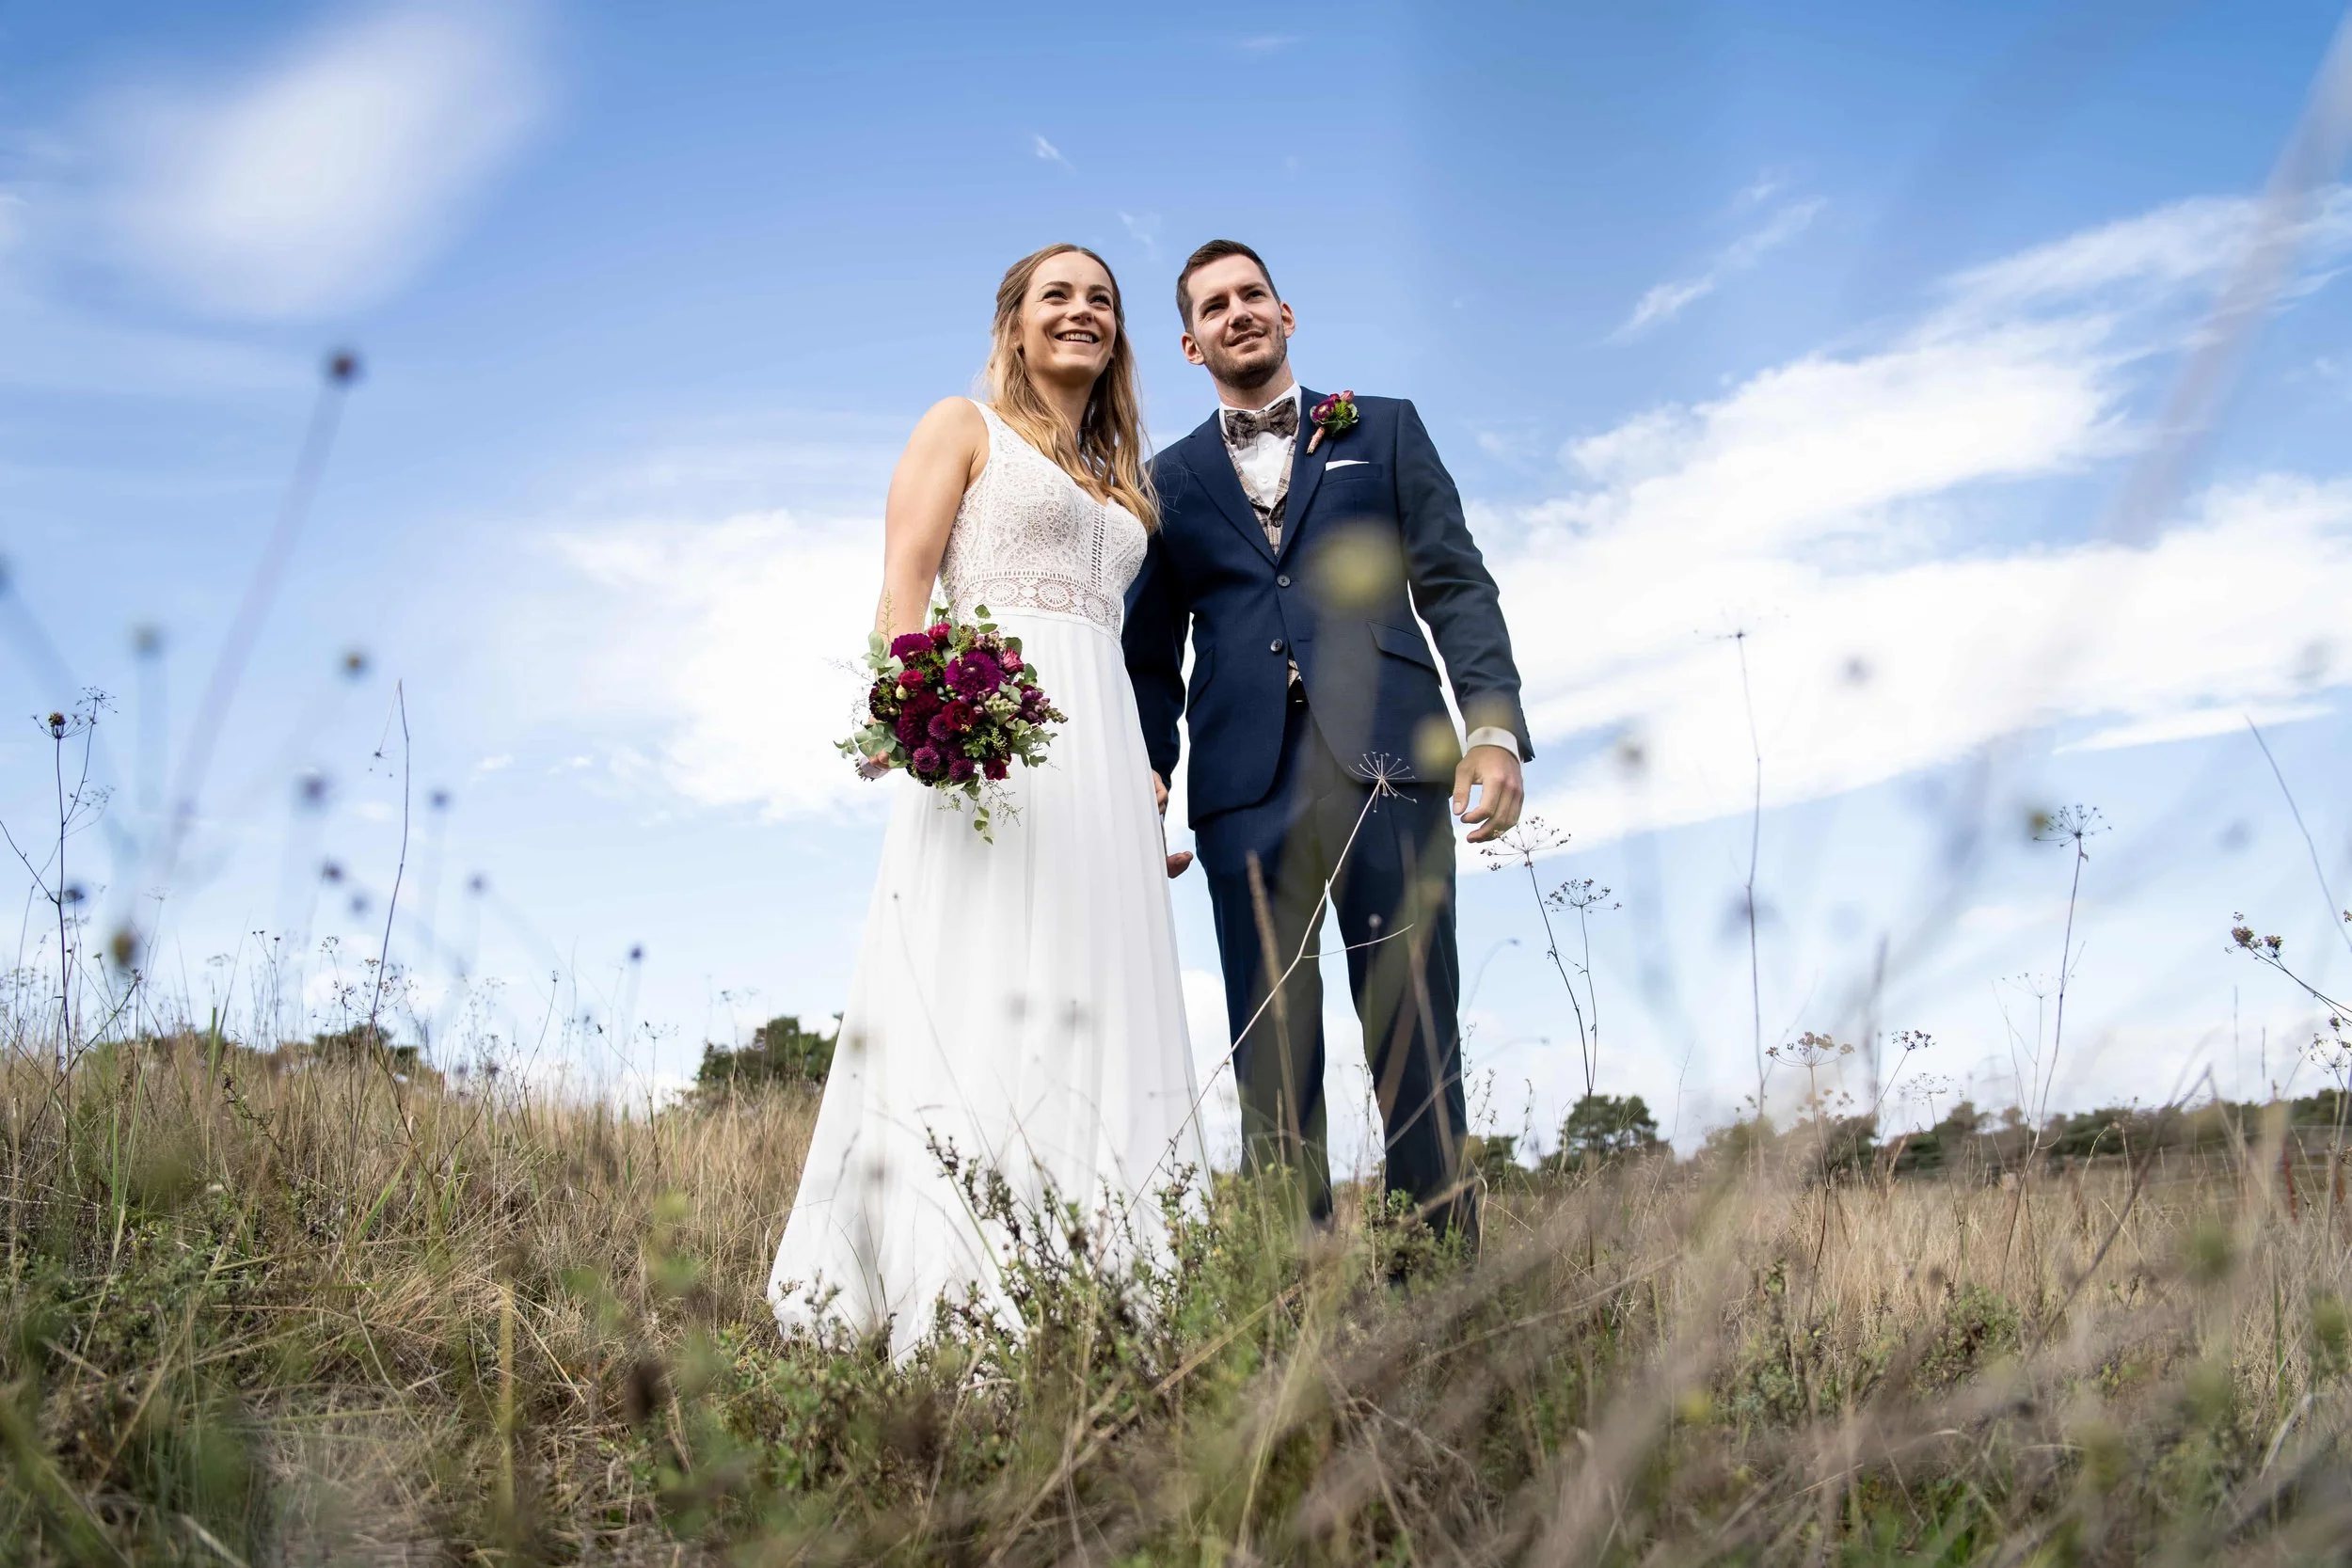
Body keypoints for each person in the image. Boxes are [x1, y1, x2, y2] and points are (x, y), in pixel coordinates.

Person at [769, 245, 1205, 1359]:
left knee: (1095, 992)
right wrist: (917, 716)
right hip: (992, 749)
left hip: (1102, 757)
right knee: (976, 983)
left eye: (1100, 300)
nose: (1082, 313)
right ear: (1014, 323)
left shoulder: (1124, 481)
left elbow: (1124, 643)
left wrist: (1146, 764)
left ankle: (1107, 1277)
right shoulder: (959, 425)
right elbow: (902, 589)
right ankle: (952, 1285)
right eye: (1056, 296)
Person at [1123, 239, 1530, 1243]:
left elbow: (1453, 581)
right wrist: (1149, 778)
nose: (1237, 312)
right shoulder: (1163, 480)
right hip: (1239, 787)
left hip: (1389, 760)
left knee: (1414, 1020)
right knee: (1268, 1040)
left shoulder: (1381, 430)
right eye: (1213, 305)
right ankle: (1286, 1283)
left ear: (1286, 313)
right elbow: (1145, 655)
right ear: (1189, 343)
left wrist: (1491, 725)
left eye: (1251, 294)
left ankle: (1436, 1269)